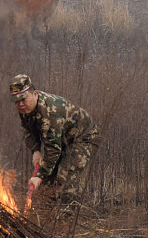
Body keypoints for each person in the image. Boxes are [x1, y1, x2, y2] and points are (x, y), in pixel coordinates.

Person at [11, 74, 100, 205]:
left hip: (83, 138)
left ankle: (66, 218)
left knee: (65, 179)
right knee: (48, 181)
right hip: (63, 139)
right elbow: (28, 131)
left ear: (34, 94)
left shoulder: (50, 112)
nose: (20, 104)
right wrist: (35, 151)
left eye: (23, 99)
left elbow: (53, 151)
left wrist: (38, 176)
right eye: (17, 101)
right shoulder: (24, 109)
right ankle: (47, 216)